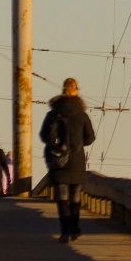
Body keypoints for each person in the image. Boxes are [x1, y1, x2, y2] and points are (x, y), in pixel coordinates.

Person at [39, 78, 96, 243]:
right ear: (76, 90)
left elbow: (44, 136)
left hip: (59, 159)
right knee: (75, 195)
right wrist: (78, 145)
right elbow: (90, 138)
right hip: (77, 159)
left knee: (62, 195)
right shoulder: (82, 114)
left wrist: (58, 146)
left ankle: (65, 231)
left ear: (63, 90)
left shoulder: (53, 113)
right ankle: (74, 227)